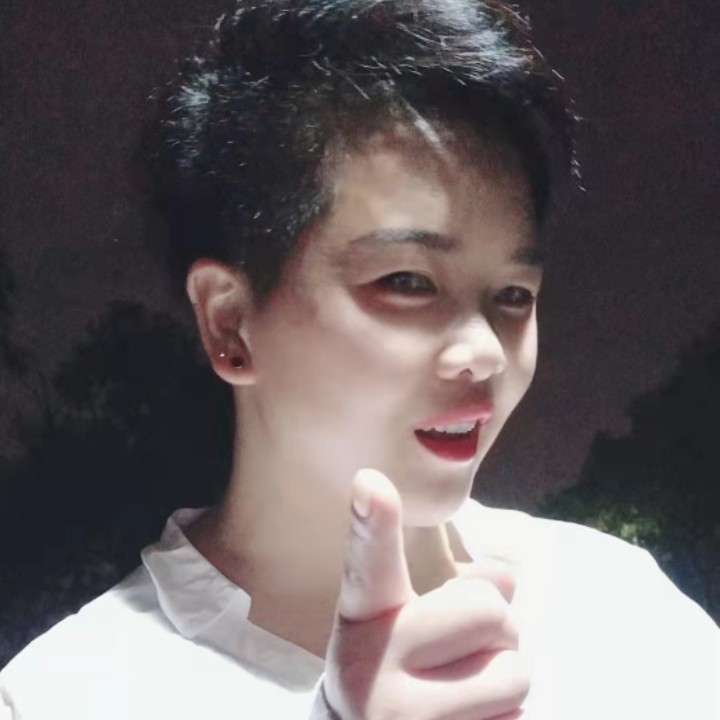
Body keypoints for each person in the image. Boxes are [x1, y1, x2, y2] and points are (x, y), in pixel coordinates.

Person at [1, 1, 718, 718]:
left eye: (513, 295)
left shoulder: (621, 609)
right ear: (230, 321)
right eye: (407, 282)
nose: (485, 353)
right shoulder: (64, 694)